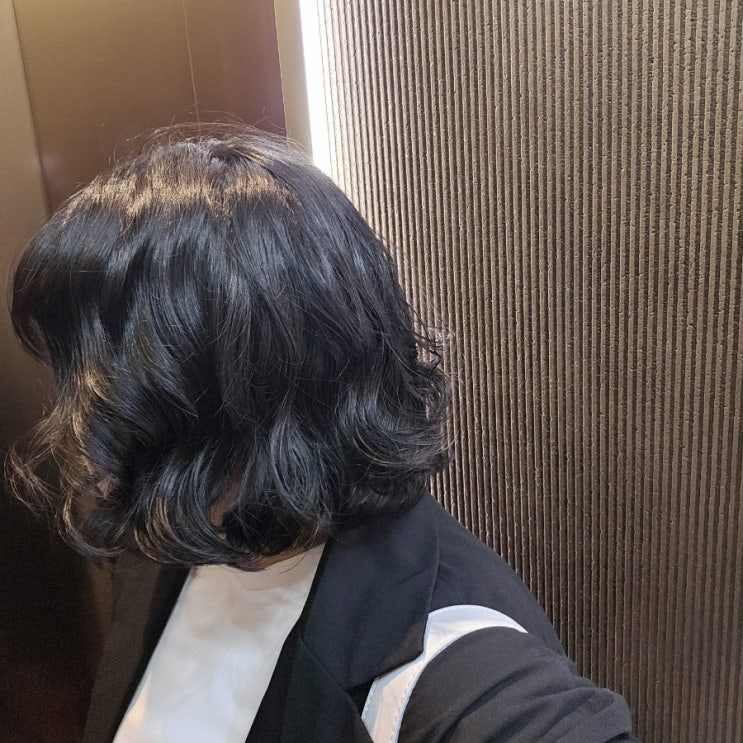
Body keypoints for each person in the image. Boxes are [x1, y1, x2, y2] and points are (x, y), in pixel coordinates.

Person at [7, 128, 637, 742]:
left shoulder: (444, 661)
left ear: (252, 392)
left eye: (116, 387)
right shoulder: (173, 533)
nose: (82, 426)